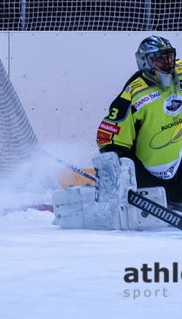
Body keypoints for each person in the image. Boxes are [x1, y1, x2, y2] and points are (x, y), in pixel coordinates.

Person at [53, 35, 182, 230]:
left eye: (169, 58)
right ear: (145, 62)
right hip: (148, 175)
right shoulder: (133, 95)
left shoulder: (179, 74)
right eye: (160, 59)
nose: (167, 64)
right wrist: (117, 175)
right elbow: (107, 137)